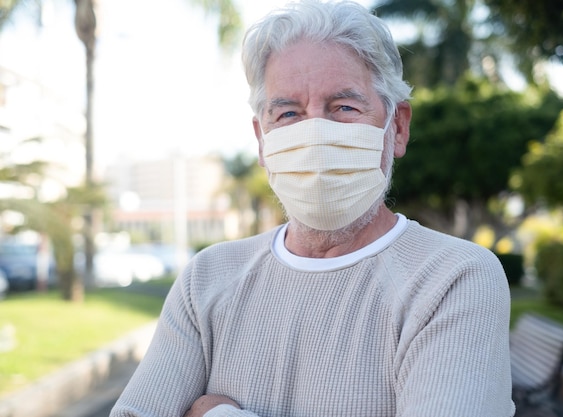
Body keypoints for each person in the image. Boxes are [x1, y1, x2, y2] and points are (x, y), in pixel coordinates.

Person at [110, 1, 515, 416]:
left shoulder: (452, 279)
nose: (315, 134)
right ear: (262, 140)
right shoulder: (207, 279)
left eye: (344, 107)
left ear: (397, 127)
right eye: (288, 113)